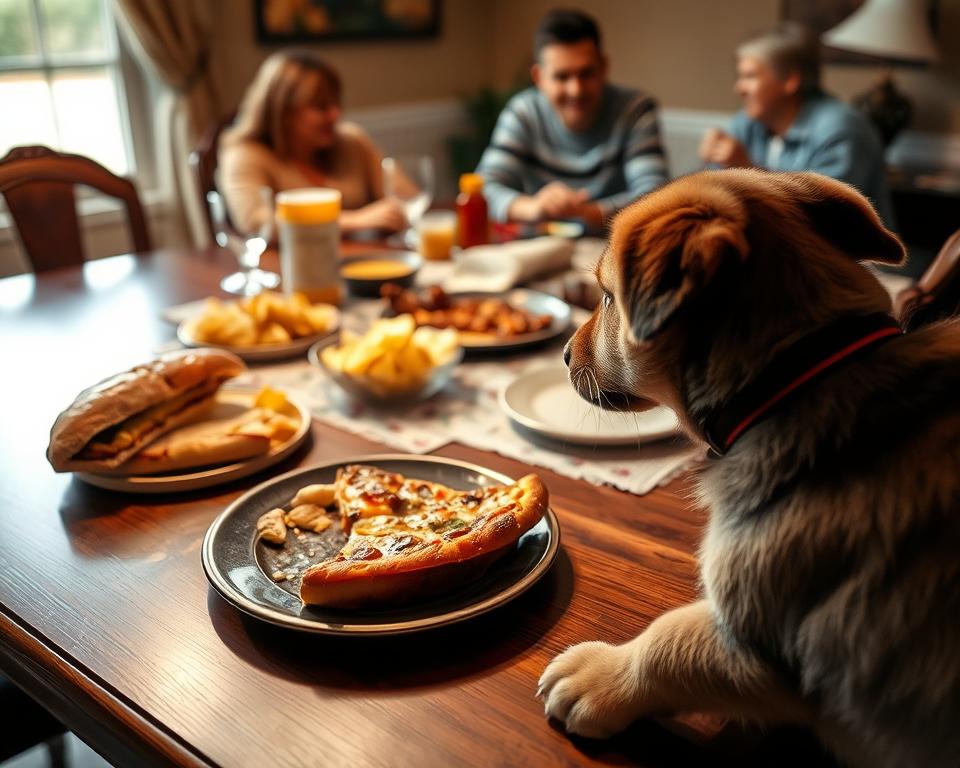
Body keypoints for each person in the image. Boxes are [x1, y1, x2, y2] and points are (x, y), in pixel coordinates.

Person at [476, 9, 668, 230]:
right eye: (562, 76)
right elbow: (481, 190)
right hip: (539, 250)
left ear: (604, 68)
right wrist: (535, 207)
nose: (576, 90)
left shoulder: (635, 110)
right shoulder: (523, 112)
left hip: (612, 250)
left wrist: (590, 213)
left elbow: (657, 197)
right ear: (539, 78)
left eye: (586, 74)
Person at [699, 22, 894, 227]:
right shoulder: (748, 122)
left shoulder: (842, 131)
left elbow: (823, 218)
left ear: (790, 80)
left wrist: (748, 170)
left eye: (750, 76)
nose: (739, 88)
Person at [219, 49, 407, 236]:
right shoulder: (245, 155)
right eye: (321, 106)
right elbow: (255, 222)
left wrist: (398, 197)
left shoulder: (351, 141)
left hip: (366, 260)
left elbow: (406, 199)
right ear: (283, 111)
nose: (335, 115)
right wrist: (355, 220)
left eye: (336, 104)